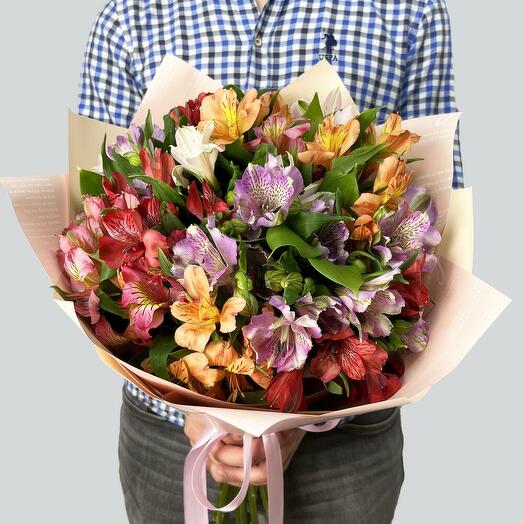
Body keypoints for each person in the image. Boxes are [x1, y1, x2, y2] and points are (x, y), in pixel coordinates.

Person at [78, 1, 463, 522]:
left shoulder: (409, 10)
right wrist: (198, 410)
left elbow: (435, 224)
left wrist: (293, 417)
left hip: (342, 436)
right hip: (170, 437)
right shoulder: (131, 14)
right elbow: (100, 219)